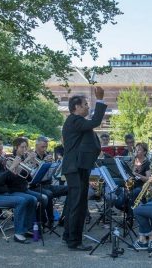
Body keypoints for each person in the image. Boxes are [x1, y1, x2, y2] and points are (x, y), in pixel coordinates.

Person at [61, 86, 107, 251]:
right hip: (76, 167)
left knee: (73, 203)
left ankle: (68, 236)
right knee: (78, 205)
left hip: (77, 166)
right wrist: (100, 99)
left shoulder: (76, 121)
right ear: (77, 107)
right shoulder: (75, 120)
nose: (88, 106)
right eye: (86, 104)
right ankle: (74, 241)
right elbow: (95, 121)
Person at [0, 139, 37, 244]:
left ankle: (28, 228)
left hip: (4, 193)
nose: (1, 152)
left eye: (2, 150)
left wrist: (16, 170)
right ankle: (19, 233)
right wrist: (12, 167)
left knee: (32, 199)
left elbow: (7, 179)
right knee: (21, 201)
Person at [7, 137, 47, 229]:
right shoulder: (10, 159)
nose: (24, 150)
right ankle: (31, 224)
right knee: (35, 199)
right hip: (14, 189)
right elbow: (13, 175)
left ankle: (37, 223)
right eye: (22, 147)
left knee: (44, 198)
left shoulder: (24, 157)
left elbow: (30, 176)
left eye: (26, 147)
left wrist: (34, 162)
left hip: (24, 188)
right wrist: (27, 160)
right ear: (16, 147)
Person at [31, 136, 68, 229]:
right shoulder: (32, 156)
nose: (44, 149)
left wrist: (53, 165)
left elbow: (54, 173)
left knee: (71, 189)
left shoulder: (47, 155)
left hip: (47, 184)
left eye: (46, 147)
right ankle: (48, 221)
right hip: (36, 186)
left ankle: (64, 217)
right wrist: (44, 162)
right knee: (48, 194)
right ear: (36, 146)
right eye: (42, 147)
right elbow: (32, 175)